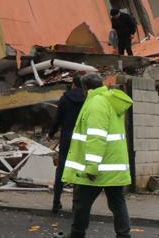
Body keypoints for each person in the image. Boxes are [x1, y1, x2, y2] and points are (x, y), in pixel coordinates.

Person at [56, 73, 133, 238]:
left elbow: (96, 137)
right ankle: (124, 235)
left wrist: (91, 167)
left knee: (81, 202)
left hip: (98, 167)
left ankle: (77, 234)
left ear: (85, 88)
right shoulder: (108, 99)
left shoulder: (96, 103)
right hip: (113, 165)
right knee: (117, 202)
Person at [48, 75, 85, 213]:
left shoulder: (65, 98)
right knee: (78, 170)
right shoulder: (87, 99)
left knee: (61, 170)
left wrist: (51, 133)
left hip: (66, 138)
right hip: (80, 139)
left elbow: (57, 119)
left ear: (73, 84)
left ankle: (56, 203)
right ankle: (76, 204)